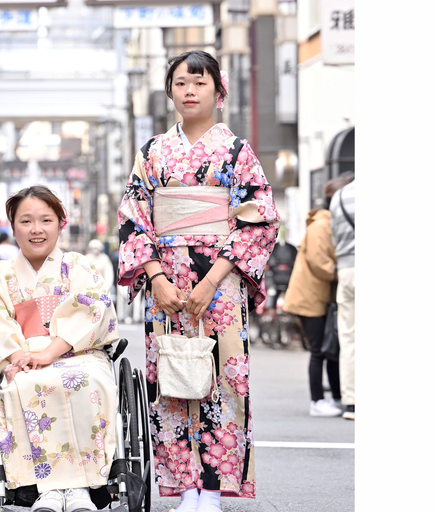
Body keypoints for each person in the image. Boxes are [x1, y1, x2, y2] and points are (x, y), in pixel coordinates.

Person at [117, 50, 280, 512]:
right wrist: (156, 277)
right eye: (181, 83)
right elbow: (133, 218)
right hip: (165, 282)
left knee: (223, 379)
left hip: (222, 283)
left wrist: (213, 280)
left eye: (200, 82)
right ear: (169, 91)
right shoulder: (151, 152)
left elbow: (259, 220)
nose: (190, 91)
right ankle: (181, 485)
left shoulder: (235, 152)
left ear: (218, 91)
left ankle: (211, 487)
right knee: (169, 377)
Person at [0, 185, 120, 512]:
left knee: (89, 381)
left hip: (78, 353)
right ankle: (43, 488)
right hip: (22, 356)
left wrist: (52, 352)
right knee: (22, 385)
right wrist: (16, 355)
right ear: (12, 225)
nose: (36, 229)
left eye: (46, 220)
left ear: (61, 223)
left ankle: (82, 486)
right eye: (26, 221)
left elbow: (95, 307)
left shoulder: (77, 266)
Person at [282, 177, 351, 418]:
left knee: (331, 348)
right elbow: (319, 263)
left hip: (319, 297)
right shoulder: (321, 226)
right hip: (309, 298)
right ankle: (317, 401)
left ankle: (337, 396)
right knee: (319, 351)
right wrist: (342, 271)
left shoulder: (328, 223)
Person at [329, 176, 355, 420]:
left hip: (345, 270)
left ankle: (351, 402)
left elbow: (334, 238)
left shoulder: (339, 197)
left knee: (348, 337)